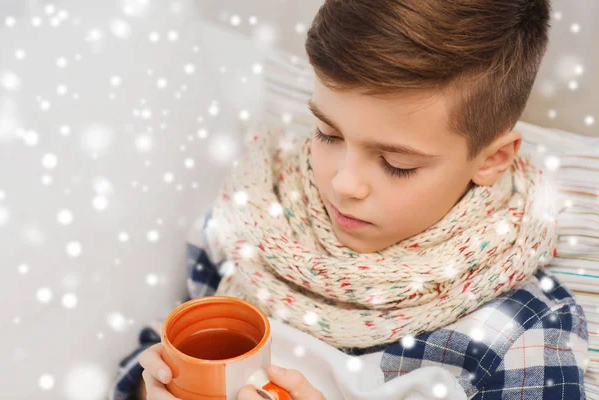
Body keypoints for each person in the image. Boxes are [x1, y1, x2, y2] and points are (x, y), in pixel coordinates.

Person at [110, 0, 589, 399]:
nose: (344, 183)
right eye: (326, 133)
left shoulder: (523, 330)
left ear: (491, 159)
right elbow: (156, 347)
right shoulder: (250, 221)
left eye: (396, 164)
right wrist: (147, 388)